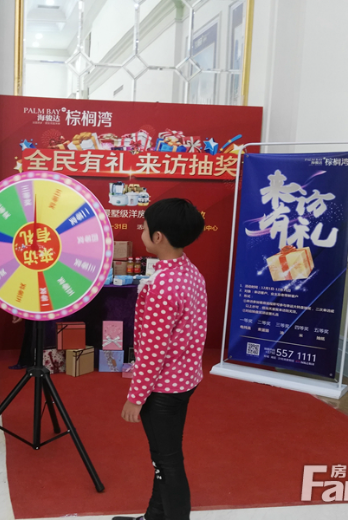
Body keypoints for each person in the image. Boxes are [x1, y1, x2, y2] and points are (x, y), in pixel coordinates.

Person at [119, 198, 207, 520]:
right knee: (164, 458)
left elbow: (153, 352)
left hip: (164, 389)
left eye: (143, 227)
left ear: (158, 236)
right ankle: (154, 516)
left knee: (166, 463)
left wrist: (136, 397)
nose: (140, 231)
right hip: (185, 380)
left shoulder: (163, 286)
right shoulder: (189, 270)